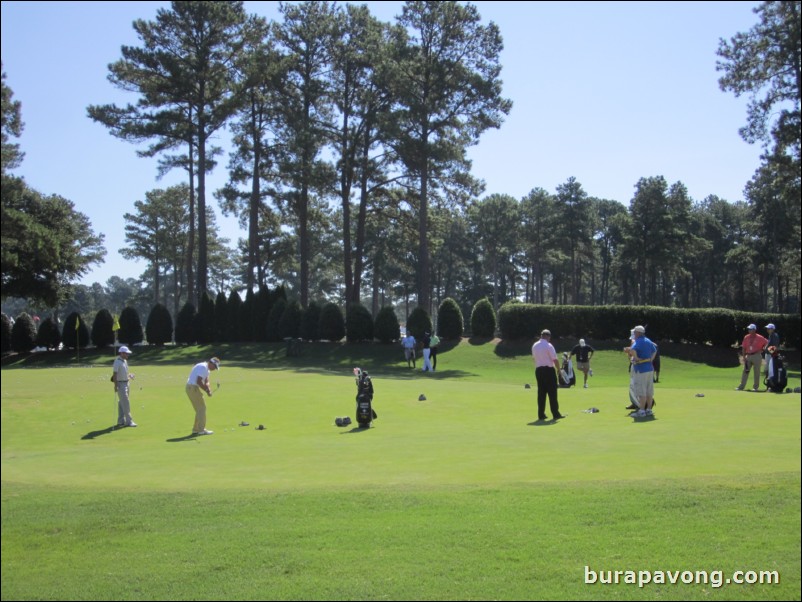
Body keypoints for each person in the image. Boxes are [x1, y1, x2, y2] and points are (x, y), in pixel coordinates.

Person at [531, 329, 565, 421]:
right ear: (547, 336)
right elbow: (555, 359)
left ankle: (541, 414)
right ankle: (556, 414)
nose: (550, 338)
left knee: (541, 393)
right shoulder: (548, 345)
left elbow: (534, 358)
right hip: (549, 370)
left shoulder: (535, 345)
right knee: (552, 392)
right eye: (549, 336)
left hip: (538, 370)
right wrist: (559, 370)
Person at [625, 325, 657, 417]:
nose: (634, 334)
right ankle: (649, 410)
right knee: (649, 390)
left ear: (638, 333)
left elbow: (632, 349)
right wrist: (651, 359)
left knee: (642, 391)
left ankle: (642, 411)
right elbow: (654, 350)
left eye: (635, 332)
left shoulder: (638, 341)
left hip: (641, 369)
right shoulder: (648, 340)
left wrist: (636, 358)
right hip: (650, 368)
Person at [186, 357, 220, 435]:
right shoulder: (203, 367)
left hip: (191, 388)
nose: (214, 368)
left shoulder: (207, 369)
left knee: (199, 410)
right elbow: (199, 381)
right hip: (192, 388)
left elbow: (206, 381)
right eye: (214, 366)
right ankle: (201, 430)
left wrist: (209, 390)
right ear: (211, 363)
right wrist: (207, 391)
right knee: (202, 408)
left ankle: (196, 429)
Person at [736, 324, 768, 391]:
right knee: (745, 371)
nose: (749, 330)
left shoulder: (760, 337)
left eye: (751, 329)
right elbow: (744, 347)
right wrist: (744, 356)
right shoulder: (746, 337)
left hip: (757, 356)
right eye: (749, 329)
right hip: (748, 356)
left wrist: (762, 349)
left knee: (756, 372)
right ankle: (741, 387)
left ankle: (755, 387)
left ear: (754, 330)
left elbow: (767, 343)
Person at [112, 345, 137, 427]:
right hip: (120, 384)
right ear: (122, 353)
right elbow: (115, 374)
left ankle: (120, 421)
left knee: (121, 403)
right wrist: (115, 386)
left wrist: (130, 375)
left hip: (126, 383)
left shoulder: (124, 361)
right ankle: (129, 421)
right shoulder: (117, 362)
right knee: (125, 402)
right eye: (126, 353)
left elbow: (125, 373)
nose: (128, 355)